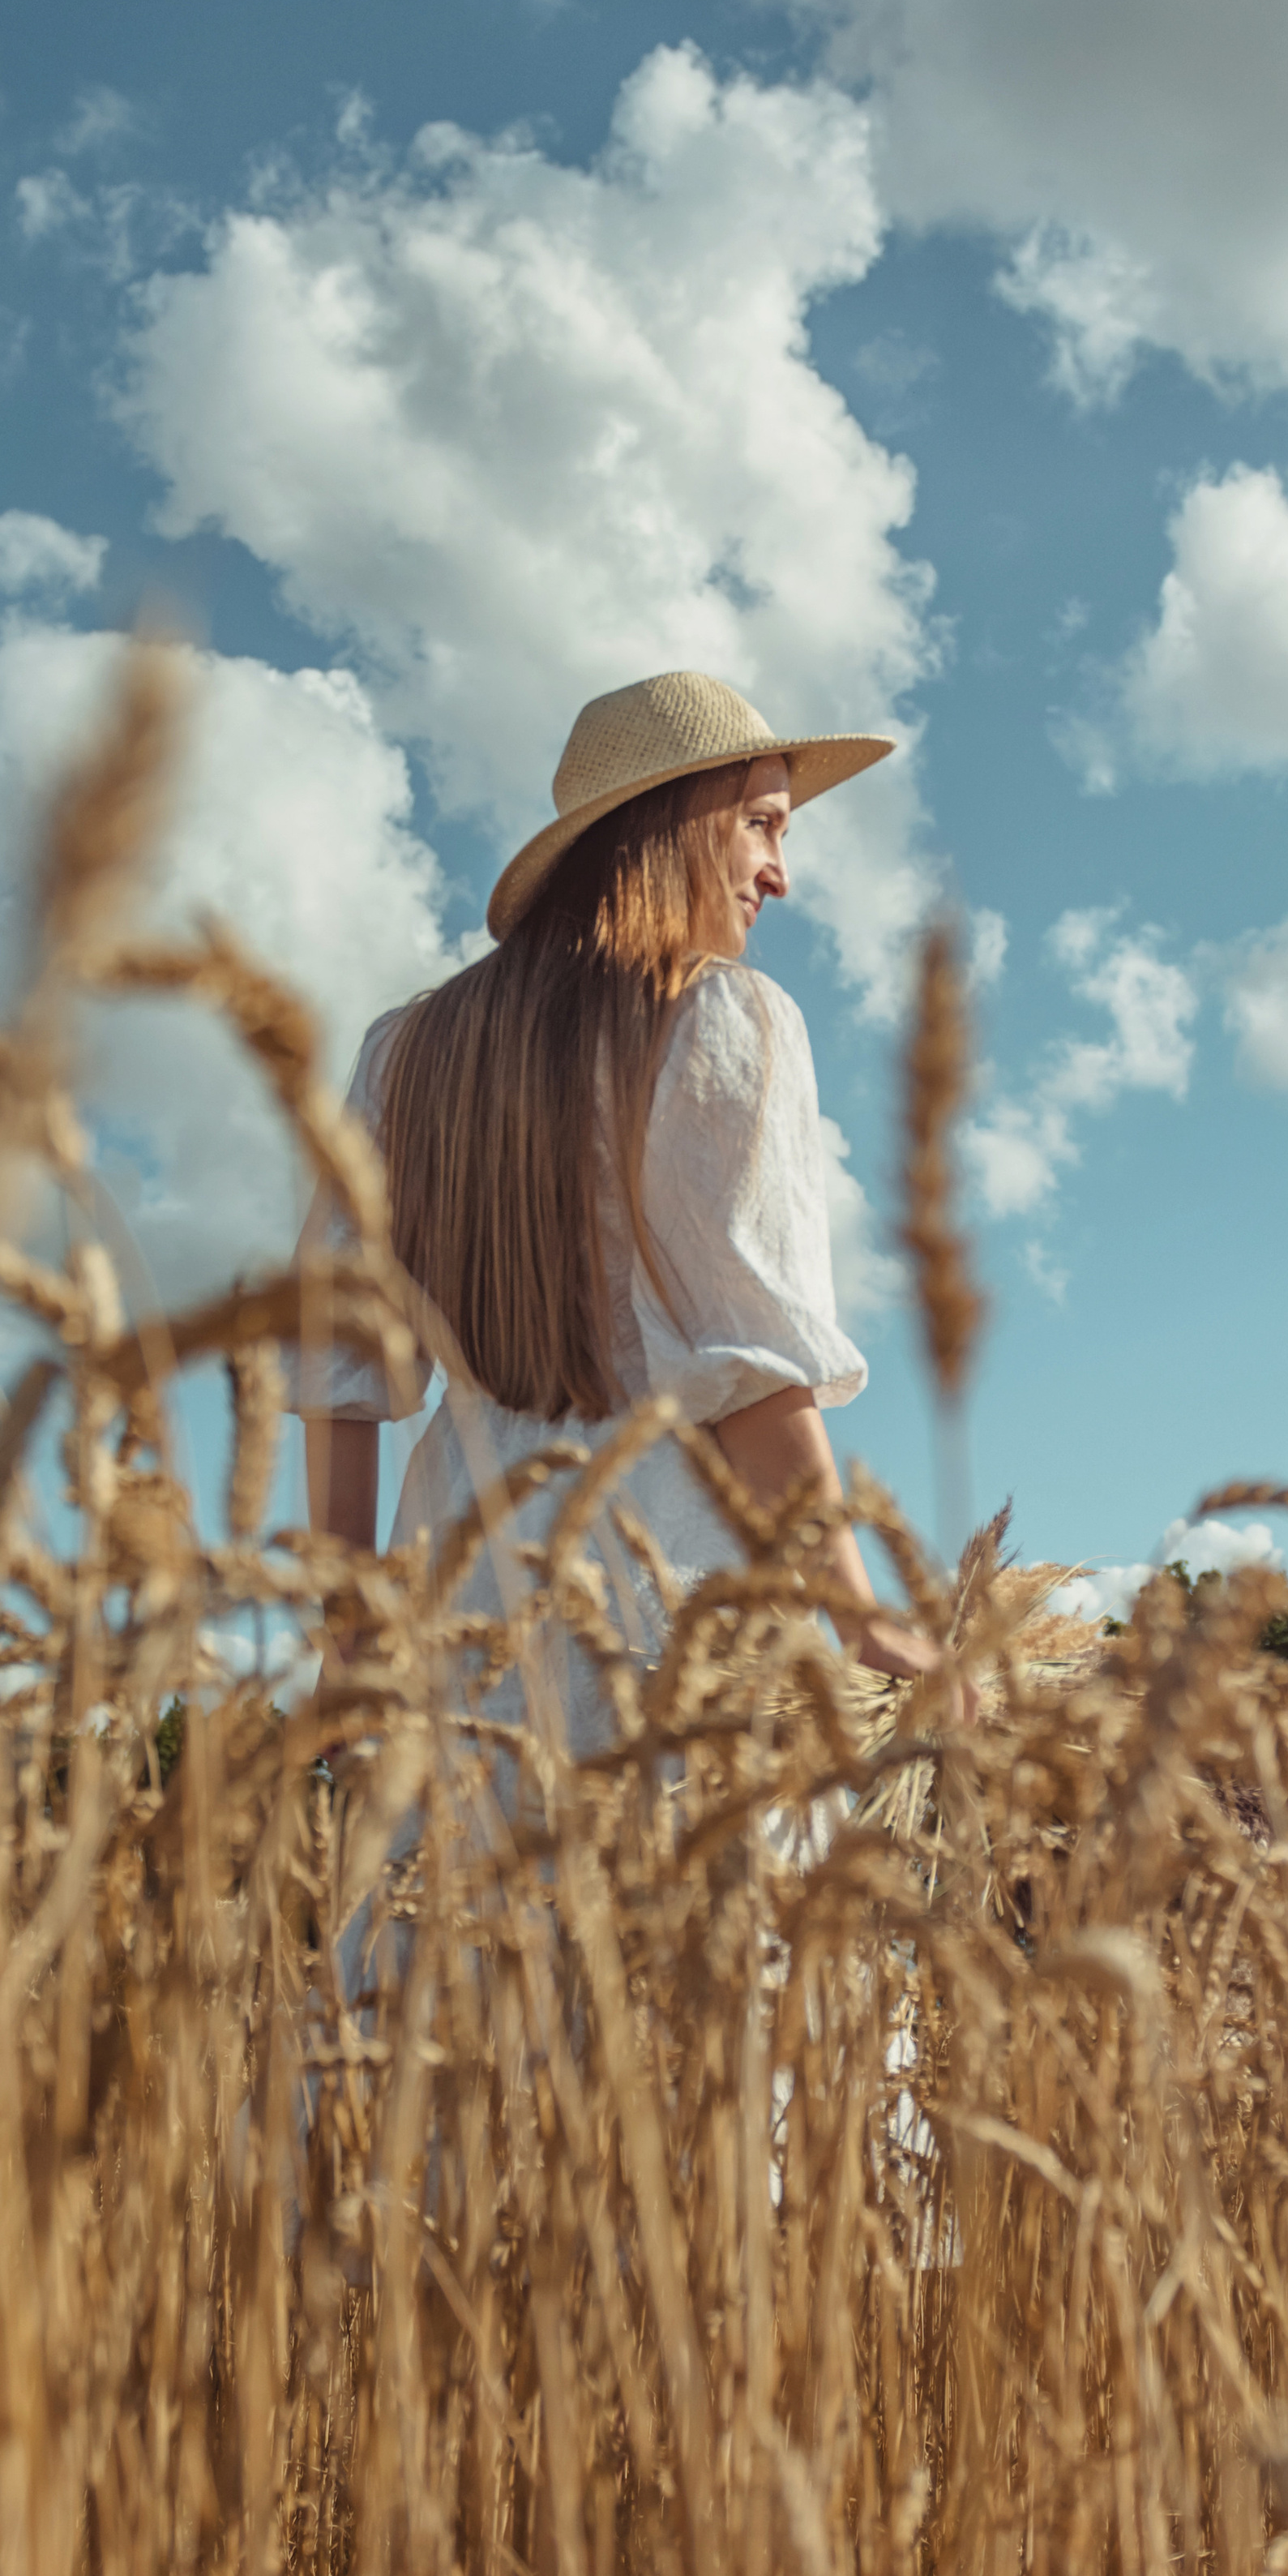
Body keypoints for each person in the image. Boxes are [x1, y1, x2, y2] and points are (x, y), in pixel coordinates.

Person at [290, 667, 955, 1802]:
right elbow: (753, 1368)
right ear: (677, 822)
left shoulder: (403, 1055)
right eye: (760, 825)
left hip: (460, 1606)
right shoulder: (727, 1017)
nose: (781, 875)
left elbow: (336, 1369)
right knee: (691, 1960)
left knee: (470, 1961)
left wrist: (351, 1635)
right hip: (671, 1613)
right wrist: (858, 1612)